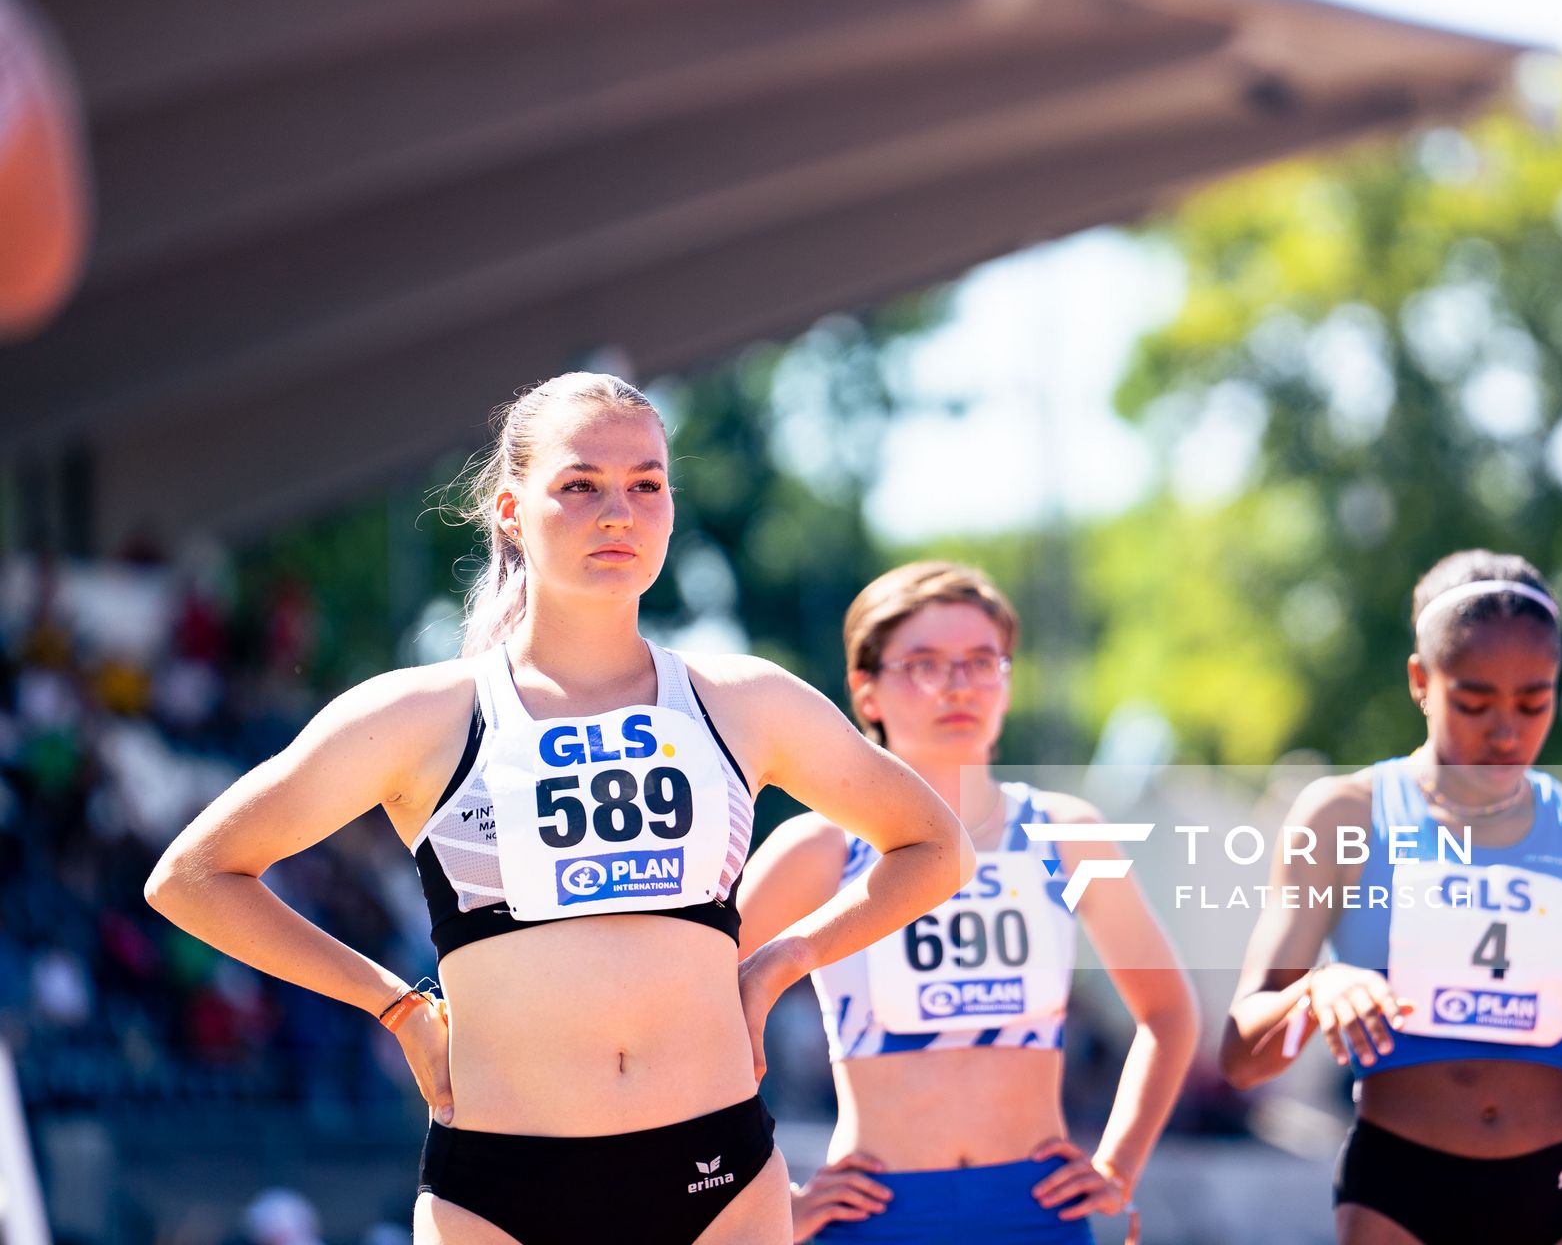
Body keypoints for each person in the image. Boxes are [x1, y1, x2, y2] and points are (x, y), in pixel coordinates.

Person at [146, 373, 973, 1245]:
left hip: (717, 1176)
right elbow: (194, 877)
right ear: (511, 510)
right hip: (499, 1190)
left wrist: (778, 964)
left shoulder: (748, 702)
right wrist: (393, 1006)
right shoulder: (422, 715)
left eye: (646, 484)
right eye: (580, 485)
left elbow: (933, 846)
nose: (617, 511)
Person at [1220, 549, 1562, 1245]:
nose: (1506, 732)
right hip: (1399, 1189)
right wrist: (1318, 992)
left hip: (1560, 1186)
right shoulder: (1343, 815)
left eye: (1534, 702)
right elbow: (1240, 1055)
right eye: (1473, 703)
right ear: (1420, 680)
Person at [737, 562, 1199, 1244]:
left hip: (1035, 1210)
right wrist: (771, 1195)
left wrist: (1118, 1165)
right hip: (873, 1215)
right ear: (866, 692)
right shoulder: (820, 848)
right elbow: (690, 1022)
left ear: (1007, 683)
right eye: (924, 663)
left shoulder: (1066, 835)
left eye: (982, 661)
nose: (958, 685)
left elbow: (1168, 1014)